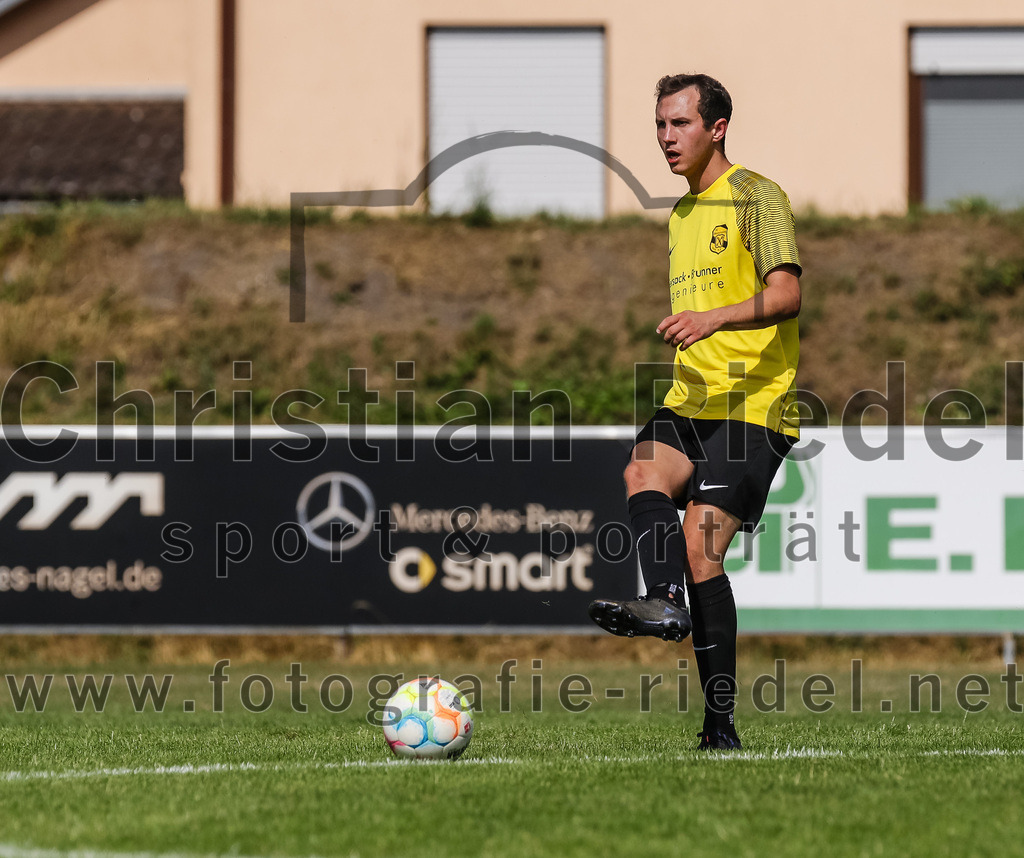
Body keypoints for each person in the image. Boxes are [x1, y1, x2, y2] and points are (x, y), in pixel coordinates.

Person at [588, 73, 802, 751]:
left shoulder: (758, 196)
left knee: (701, 550)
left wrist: (714, 318)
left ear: (717, 128)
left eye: (679, 123)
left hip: (755, 404)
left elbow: (787, 295)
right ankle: (665, 600)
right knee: (641, 473)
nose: (666, 137)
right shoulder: (681, 215)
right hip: (692, 399)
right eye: (660, 124)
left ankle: (720, 726)